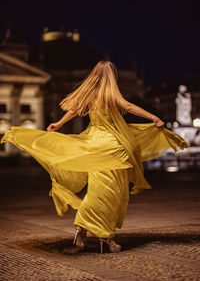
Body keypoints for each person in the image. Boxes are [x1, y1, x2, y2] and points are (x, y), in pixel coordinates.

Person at [1, 60, 189, 253]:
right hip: (112, 146)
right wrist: (154, 118)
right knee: (112, 192)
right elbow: (129, 106)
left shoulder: (91, 93)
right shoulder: (111, 93)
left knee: (99, 189)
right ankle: (105, 236)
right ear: (111, 75)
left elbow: (74, 109)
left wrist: (59, 123)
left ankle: (82, 229)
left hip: (93, 144)